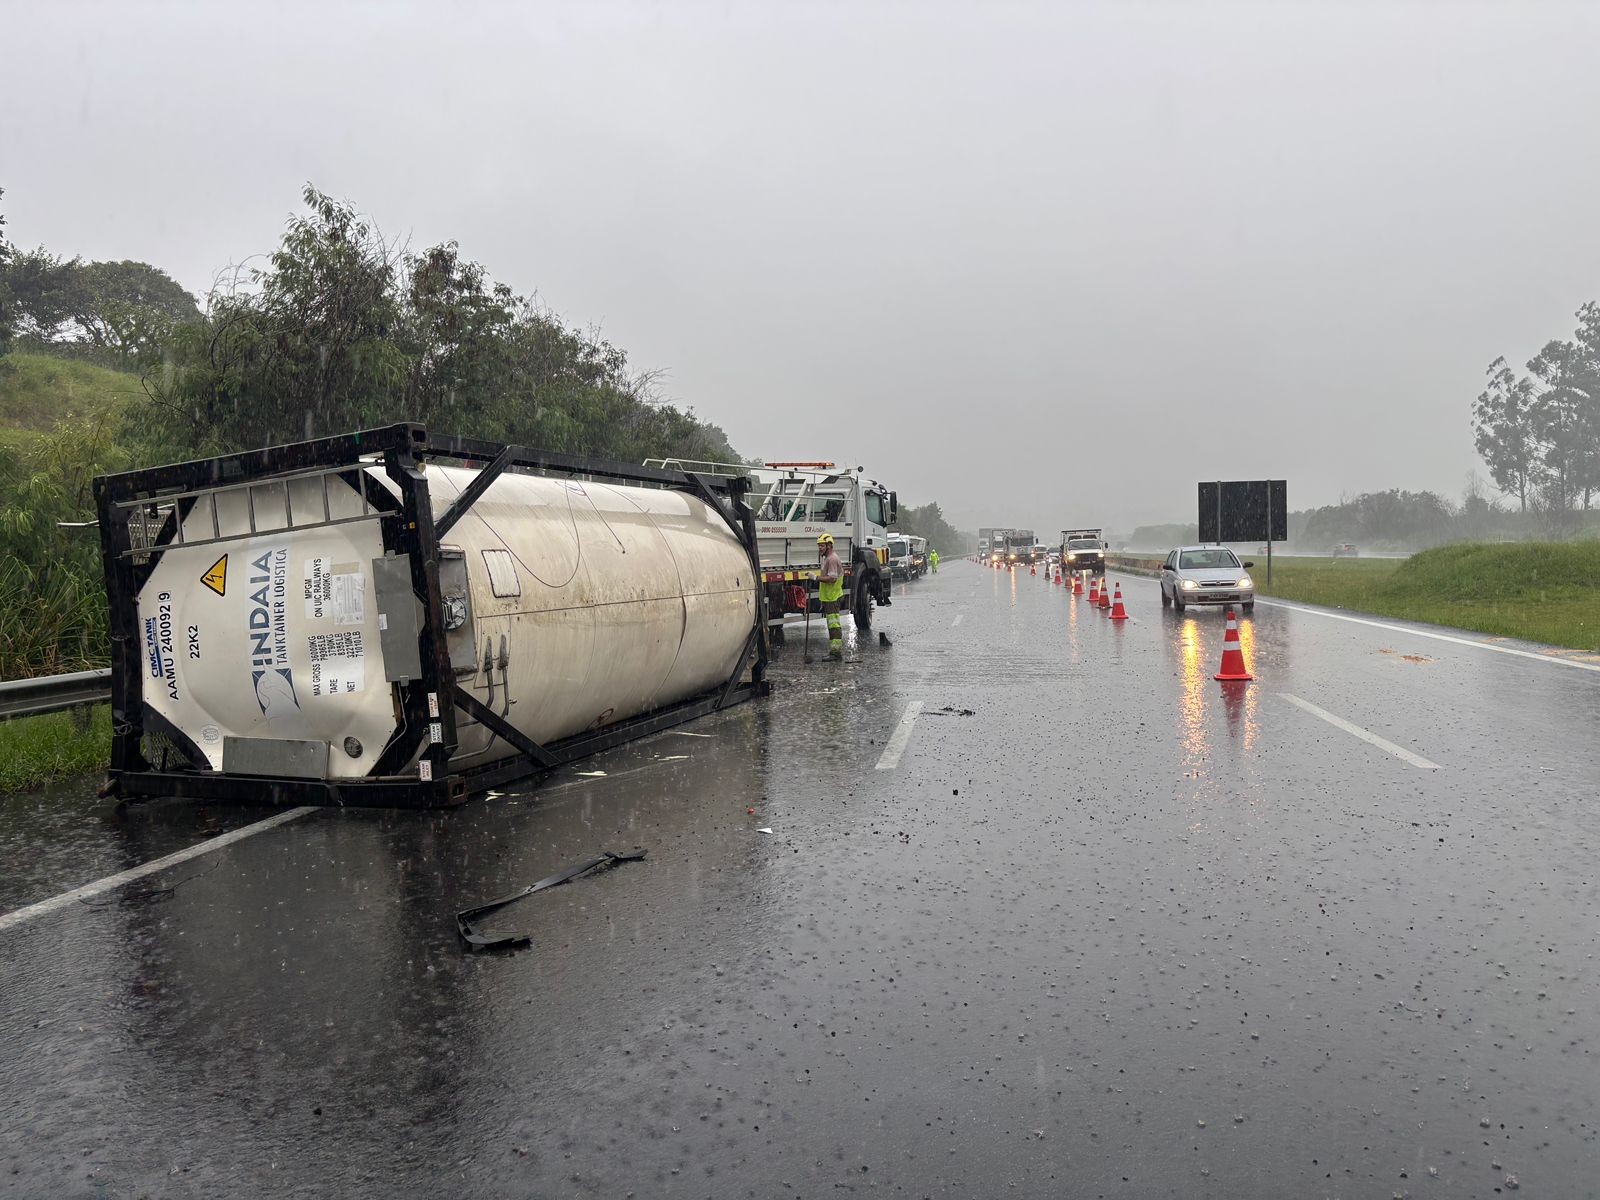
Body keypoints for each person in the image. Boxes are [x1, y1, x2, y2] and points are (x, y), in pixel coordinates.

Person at [816, 532, 845, 660]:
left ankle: (835, 653)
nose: (819, 548)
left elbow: (832, 579)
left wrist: (816, 578)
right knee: (832, 625)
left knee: (834, 626)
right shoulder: (827, 559)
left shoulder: (832, 559)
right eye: (819, 546)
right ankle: (834, 652)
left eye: (822, 546)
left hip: (833, 597)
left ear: (829, 546)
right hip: (830, 597)